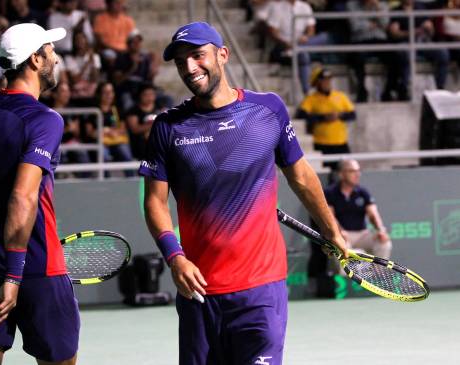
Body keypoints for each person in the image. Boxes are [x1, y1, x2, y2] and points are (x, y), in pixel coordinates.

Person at [139, 22, 348, 365]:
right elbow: (154, 202)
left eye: (197, 55)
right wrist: (174, 256)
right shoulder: (168, 127)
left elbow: (301, 176)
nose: (189, 68)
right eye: (180, 62)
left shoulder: (268, 110)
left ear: (222, 54)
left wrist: (331, 230)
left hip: (261, 290)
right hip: (199, 292)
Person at [0, 23, 79, 365]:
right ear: (34, 60)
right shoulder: (45, 120)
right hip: (35, 266)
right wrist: (14, 273)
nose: (55, 58)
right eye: (49, 51)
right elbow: (22, 197)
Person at [325, 159, 392, 260]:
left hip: (363, 234)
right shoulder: (330, 192)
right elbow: (330, 216)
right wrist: (340, 232)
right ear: (341, 174)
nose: (357, 174)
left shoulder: (363, 192)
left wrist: (380, 230)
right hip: (343, 235)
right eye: (352, 171)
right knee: (341, 247)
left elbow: (373, 214)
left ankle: (376, 274)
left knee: (383, 243)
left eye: (358, 171)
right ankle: (347, 275)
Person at [295, 67, 356, 172]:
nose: (327, 83)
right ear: (317, 83)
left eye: (328, 80)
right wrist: (323, 117)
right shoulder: (312, 99)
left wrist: (339, 116)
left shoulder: (340, 96)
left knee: (347, 171)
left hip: (341, 143)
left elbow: (352, 114)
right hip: (322, 144)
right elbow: (301, 115)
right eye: (323, 80)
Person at [124, 82, 160, 160]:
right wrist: (154, 124)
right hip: (140, 144)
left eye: (151, 94)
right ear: (140, 95)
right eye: (146, 95)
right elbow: (135, 129)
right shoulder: (133, 111)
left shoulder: (159, 107)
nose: (149, 97)